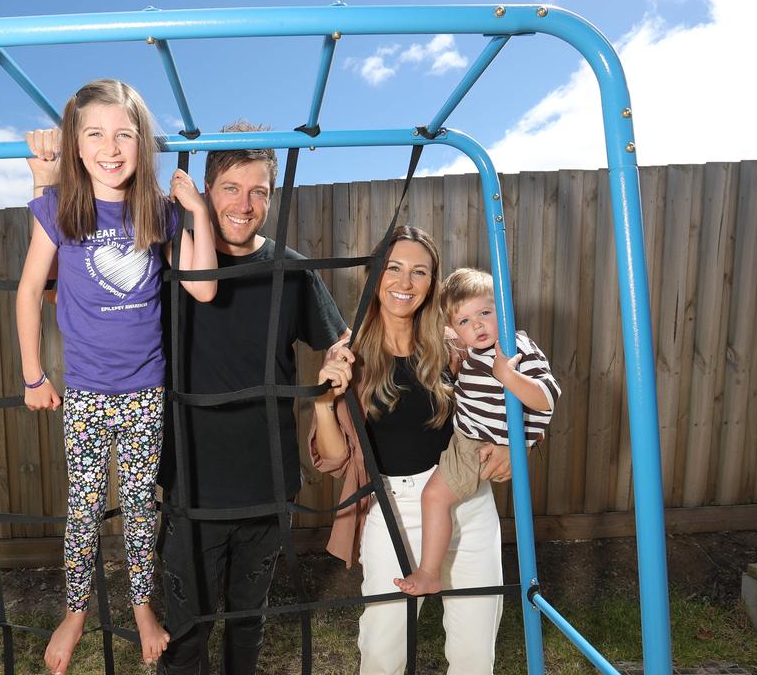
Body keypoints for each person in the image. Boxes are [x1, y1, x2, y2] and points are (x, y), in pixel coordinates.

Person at [14, 79, 218, 675]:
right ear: (76, 146)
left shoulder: (156, 212)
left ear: (143, 143)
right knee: (81, 508)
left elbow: (203, 287)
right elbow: (30, 291)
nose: (111, 146)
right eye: (95, 134)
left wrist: (197, 211)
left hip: (144, 391)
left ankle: (141, 606)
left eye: (124, 134)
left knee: (138, 506)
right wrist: (32, 375)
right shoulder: (59, 208)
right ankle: (75, 610)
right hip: (83, 390)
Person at [157, 121, 348, 675]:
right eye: (231, 189)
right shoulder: (170, 266)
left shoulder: (288, 269)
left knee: (248, 623)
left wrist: (342, 361)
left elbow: (342, 341)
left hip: (267, 484)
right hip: (192, 484)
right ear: (206, 192)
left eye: (259, 191)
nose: (245, 204)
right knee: (186, 631)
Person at [311, 227, 503, 674]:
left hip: (467, 499)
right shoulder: (350, 353)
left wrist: (519, 445)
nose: (405, 282)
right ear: (374, 275)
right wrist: (323, 402)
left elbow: (514, 396)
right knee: (384, 647)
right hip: (395, 507)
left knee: (476, 648)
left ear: (433, 283)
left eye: (420, 272)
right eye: (393, 268)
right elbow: (335, 458)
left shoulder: (453, 346)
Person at [395, 267, 560, 597]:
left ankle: (428, 572)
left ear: (503, 311)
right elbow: (445, 331)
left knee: (435, 497)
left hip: (476, 446)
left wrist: (509, 377)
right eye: (465, 322)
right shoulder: (474, 351)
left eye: (485, 313)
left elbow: (547, 399)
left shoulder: (513, 350)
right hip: (466, 437)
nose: (478, 326)